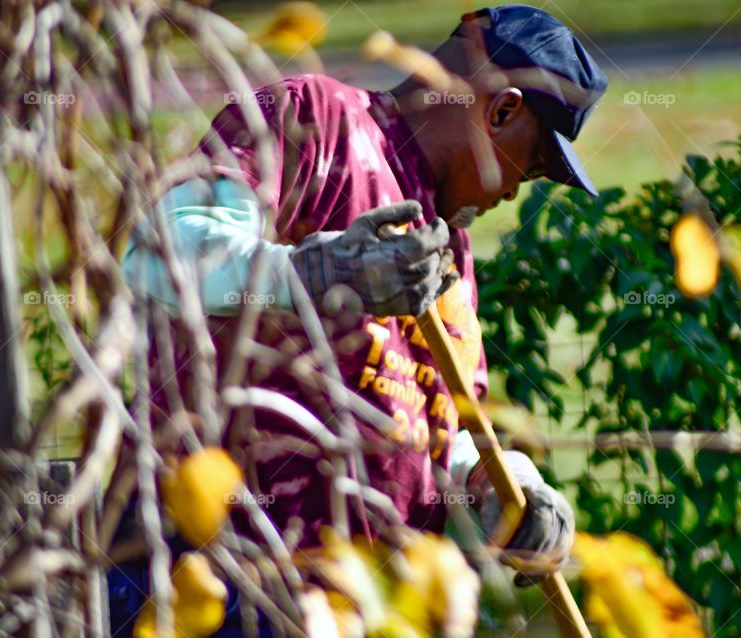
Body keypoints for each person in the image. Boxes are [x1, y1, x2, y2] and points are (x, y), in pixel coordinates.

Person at [113, 5, 608, 635]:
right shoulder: (312, 120)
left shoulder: (445, 249)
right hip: (215, 582)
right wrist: (313, 276)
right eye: (533, 165)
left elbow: (444, 419)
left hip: (355, 608)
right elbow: (158, 254)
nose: (513, 192)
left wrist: (506, 482)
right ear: (501, 111)